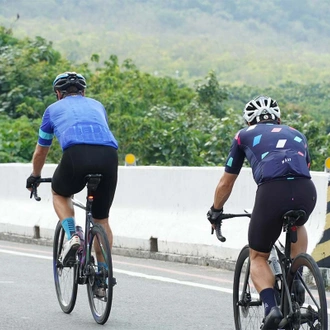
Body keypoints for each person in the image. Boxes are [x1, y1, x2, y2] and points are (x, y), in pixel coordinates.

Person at [207, 95, 317, 329]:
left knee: (257, 256)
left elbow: (226, 182)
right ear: (278, 119)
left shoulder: (243, 135)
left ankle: (271, 309)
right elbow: (303, 168)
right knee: (297, 223)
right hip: (306, 190)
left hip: (271, 192)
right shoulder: (297, 133)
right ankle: (296, 276)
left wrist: (216, 211)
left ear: (249, 122)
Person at [26, 72, 118, 294]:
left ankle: (72, 235)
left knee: (59, 192)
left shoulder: (51, 110)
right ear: (83, 92)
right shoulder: (98, 106)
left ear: (58, 93)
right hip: (109, 156)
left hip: (76, 154)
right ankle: (102, 276)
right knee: (101, 219)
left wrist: (35, 175)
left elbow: (41, 150)